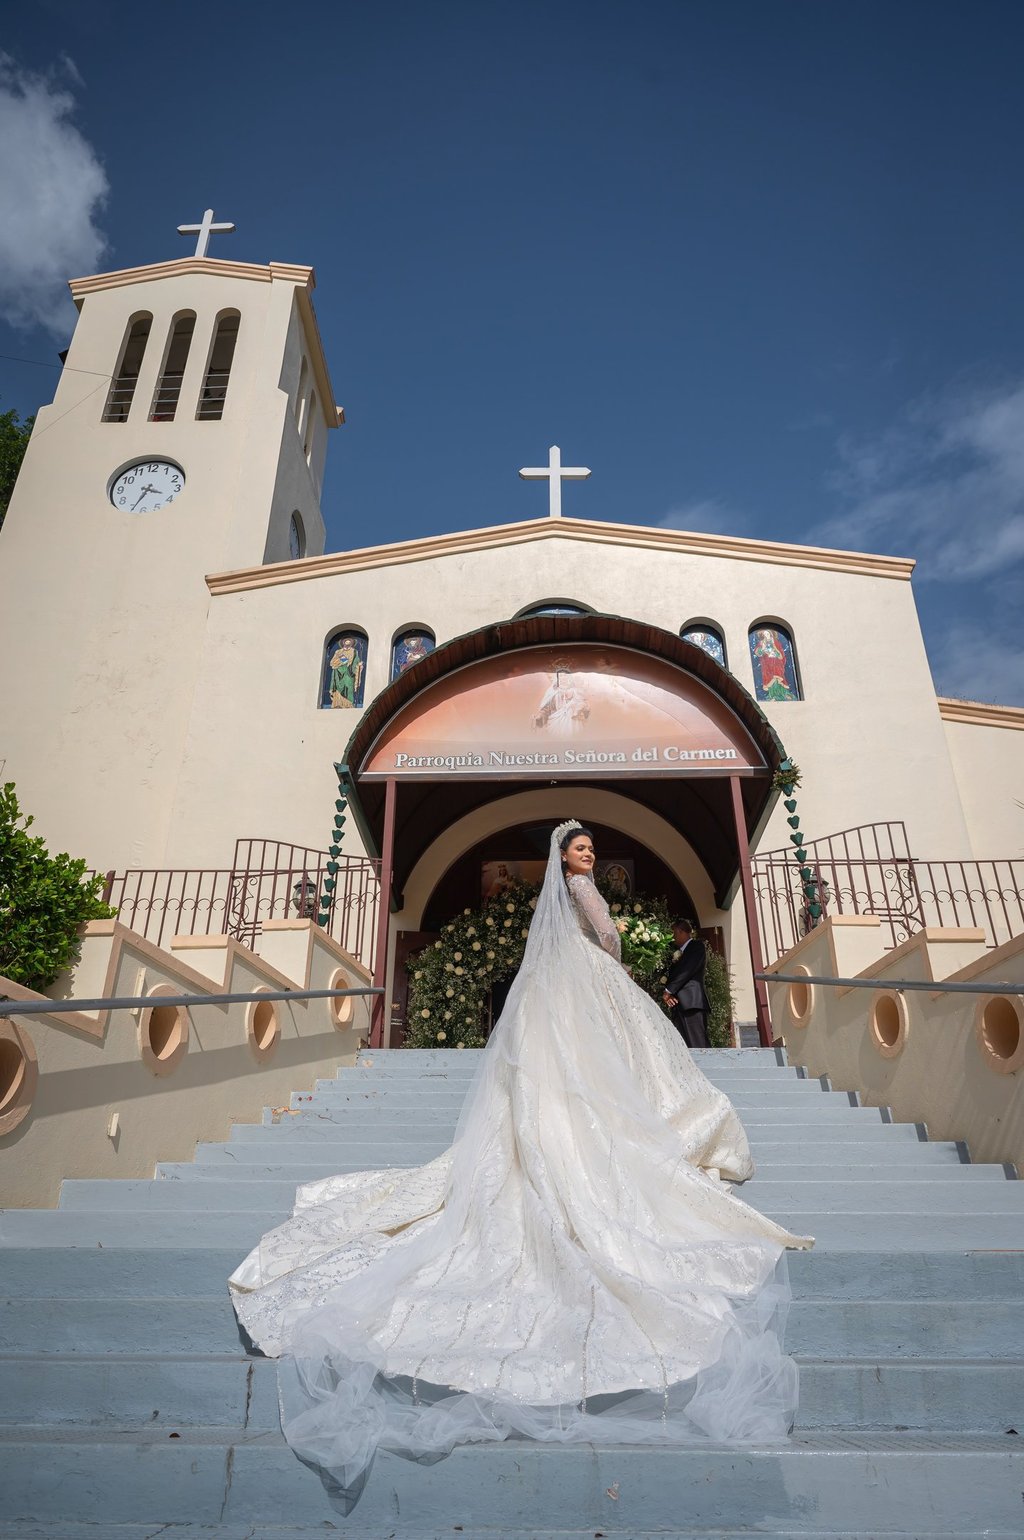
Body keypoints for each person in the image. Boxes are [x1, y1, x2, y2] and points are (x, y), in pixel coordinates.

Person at [229, 821, 812, 1512]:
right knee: (610, 1070)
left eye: (591, 847)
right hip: (587, 984)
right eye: (579, 847)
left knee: (551, 1077)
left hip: (551, 994)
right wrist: (619, 942)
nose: (587, 855)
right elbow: (611, 937)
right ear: (564, 857)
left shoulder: (546, 917)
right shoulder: (583, 892)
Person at [663, 918, 711, 1049]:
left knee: (698, 1043)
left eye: (674, 933)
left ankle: (706, 1068)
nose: (673, 937)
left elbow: (687, 970)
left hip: (692, 1003)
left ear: (680, 931)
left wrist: (668, 991)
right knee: (684, 1046)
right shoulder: (679, 952)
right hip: (679, 1005)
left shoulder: (696, 946)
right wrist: (671, 995)